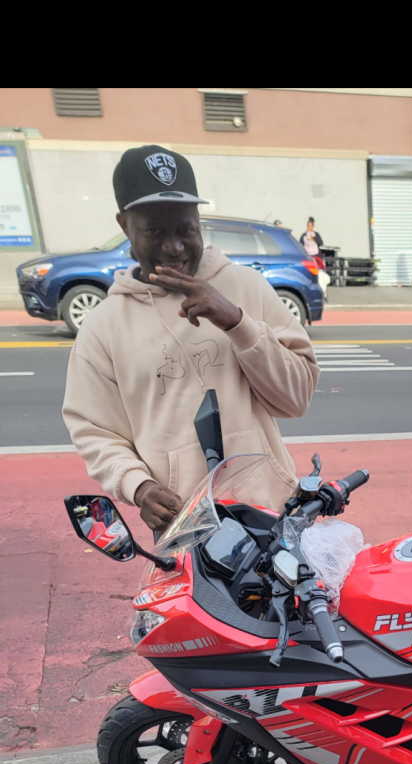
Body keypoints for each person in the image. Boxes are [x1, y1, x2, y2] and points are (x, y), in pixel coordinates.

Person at [62, 146, 319, 533]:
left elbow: (296, 399)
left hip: (270, 513)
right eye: (155, 231)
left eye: (185, 229)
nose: (174, 247)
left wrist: (237, 322)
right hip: (183, 526)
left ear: (199, 222)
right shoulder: (103, 325)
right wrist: (138, 486)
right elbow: (94, 430)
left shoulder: (247, 288)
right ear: (125, 225)